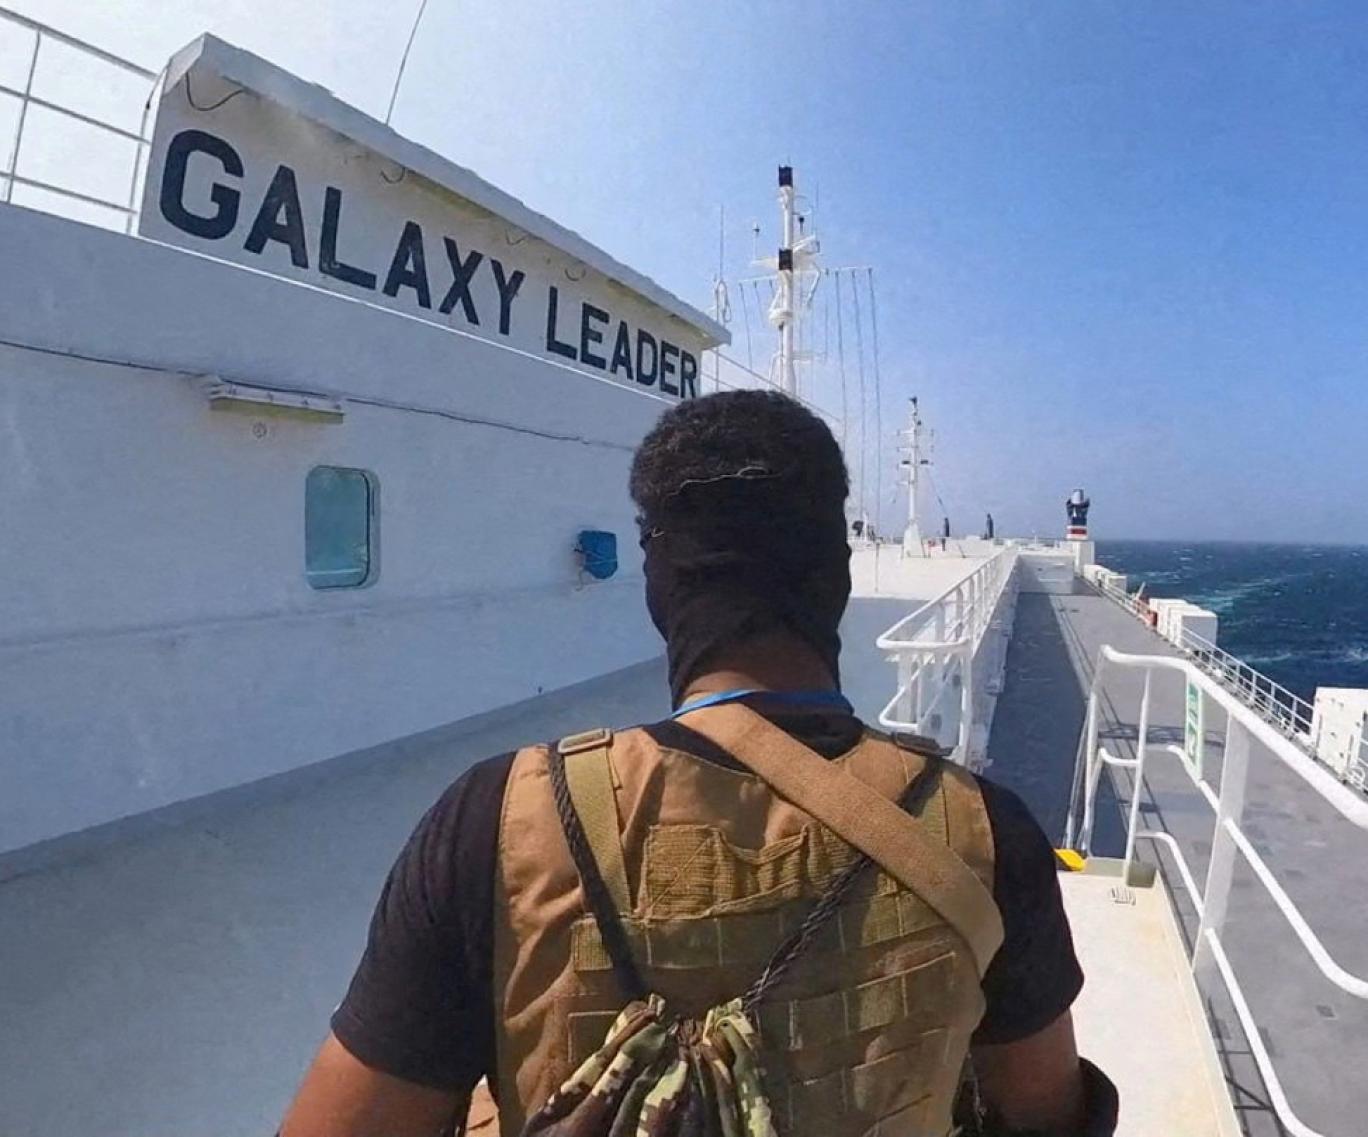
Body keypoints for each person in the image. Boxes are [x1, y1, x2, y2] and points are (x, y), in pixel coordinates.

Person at [280, 391, 1116, 1137]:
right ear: (836, 576)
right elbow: (1045, 1108)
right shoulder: (984, 831)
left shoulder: (495, 822)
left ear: (662, 585)